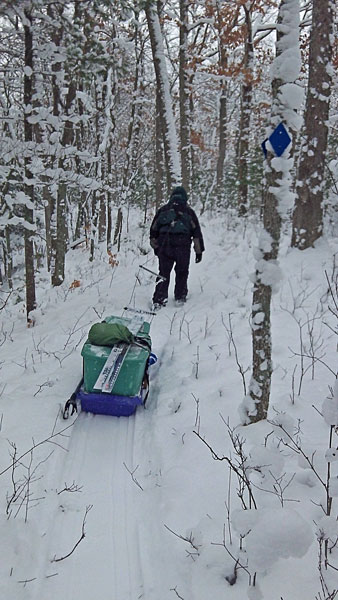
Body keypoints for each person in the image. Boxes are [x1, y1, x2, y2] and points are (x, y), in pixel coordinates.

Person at [150, 185, 204, 308]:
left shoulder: (163, 210)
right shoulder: (189, 212)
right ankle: (180, 296)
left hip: (165, 246)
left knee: (163, 273)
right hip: (183, 246)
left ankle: (159, 299)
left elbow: (153, 231)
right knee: (182, 272)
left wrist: (156, 248)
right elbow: (196, 234)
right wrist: (199, 252)